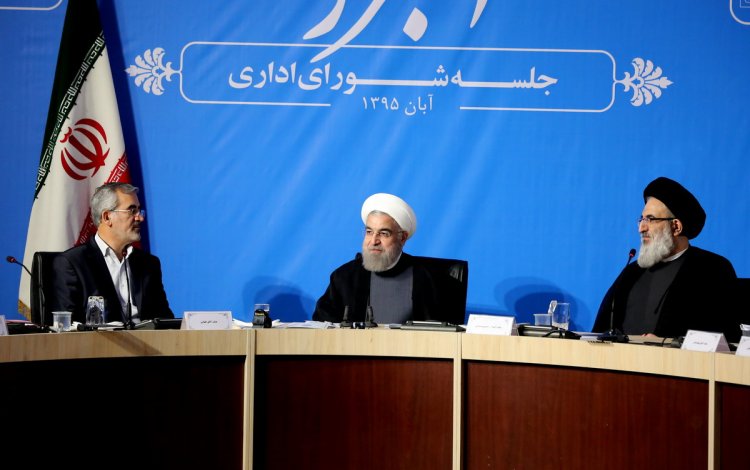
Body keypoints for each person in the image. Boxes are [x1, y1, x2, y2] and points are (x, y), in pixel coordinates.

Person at [593, 177, 740, 342]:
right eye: (641, 219)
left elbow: (725, 338)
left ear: (676, 226)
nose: (641, 227)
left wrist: (667, 344)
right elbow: (601, 332)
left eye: (650, 219)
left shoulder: (713, 269)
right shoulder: (632, 273)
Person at [313, 193, 466, 325]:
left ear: (402, 238)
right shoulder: (343, 278)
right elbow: (321, 328)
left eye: (384, 233)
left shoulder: (429, 280)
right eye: (369, 232)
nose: (373, 241)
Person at [52, 182, 173, 325]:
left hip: (147, 338)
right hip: (101, 339)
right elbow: (67, 325)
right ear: (107, 217)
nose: (140, 218)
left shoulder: (148, 263)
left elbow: (165, 319)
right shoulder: (72, 263)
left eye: (139, 210)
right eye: (132, 210)